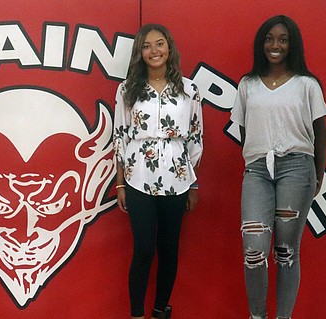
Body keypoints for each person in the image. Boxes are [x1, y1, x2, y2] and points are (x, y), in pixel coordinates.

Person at [230, 15, 326, 319]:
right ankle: (257, 315)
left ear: (293, 44)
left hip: (297, 169)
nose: (276, 45)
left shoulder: (307, 84)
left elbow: (320, 132)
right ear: (262, 44)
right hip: (258, 170)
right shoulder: (247, 85)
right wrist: (257, 155)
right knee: (254, 250)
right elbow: (245, 130)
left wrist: (318, 174)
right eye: (270, 39)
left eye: (283, 39)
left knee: (286, 251)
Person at [113, 24, 203, 319]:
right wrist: (120, 184)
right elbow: (120, 137)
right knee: (143, 250)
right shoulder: (127, 89)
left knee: (169, 250)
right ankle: (136, 314)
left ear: (169, 48)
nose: (154, 51)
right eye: (147, 46)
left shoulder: (189, 90)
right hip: (138, 176)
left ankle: (158, 311)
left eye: (160, 44)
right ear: (140, 52)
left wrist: (193, 185)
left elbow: (195, 137)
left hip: (177, 178)